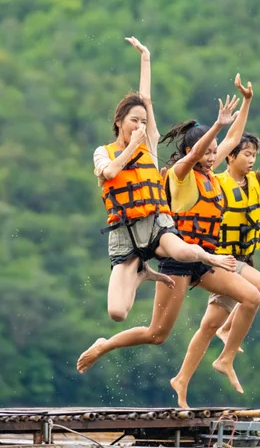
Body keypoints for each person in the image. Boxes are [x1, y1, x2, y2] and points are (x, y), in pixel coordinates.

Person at [78, 88, 260, 397]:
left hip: (203, 258)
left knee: (253, 295)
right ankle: (105, 345)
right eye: (208, 150)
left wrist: (246, 103)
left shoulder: (211, 174)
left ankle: (225, 357)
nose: (214, 154)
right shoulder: (181, 173)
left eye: (215, 150)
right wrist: (215, 126)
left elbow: (232, 140)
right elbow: (194, 154)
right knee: (157, 334)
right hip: (176, 260)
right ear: (194, 150)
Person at [93, 37, 237, 323]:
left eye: (144, 123)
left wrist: (145, 58)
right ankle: (142, 273)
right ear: (119, 121)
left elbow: (146, 99)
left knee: (181, 250)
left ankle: (212, 258)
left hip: (157, 224)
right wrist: (133, 147)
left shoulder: (149, 143)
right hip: (125, 234)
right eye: (135, 121)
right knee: (117, 313)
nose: (141, 127)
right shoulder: (103, 152)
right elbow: (109, 173)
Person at [170, 131, 260, 408]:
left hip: (239, 262)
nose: (251, 160)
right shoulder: (214, 183)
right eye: (246, 154)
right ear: (230, 156)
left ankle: (182, 379)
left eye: (254, 155)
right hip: (218, 260)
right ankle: (225, 357)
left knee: (209, 325)